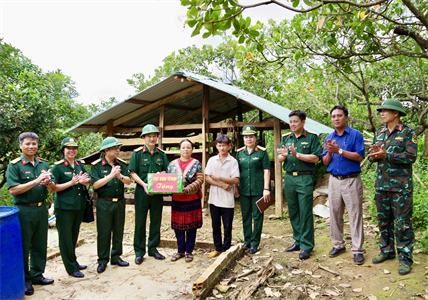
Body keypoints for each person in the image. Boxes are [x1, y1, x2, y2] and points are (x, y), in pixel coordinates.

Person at [367, 99, 417, 275]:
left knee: (403, 224)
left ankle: (405, 258)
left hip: (400, 187)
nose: (381, 113)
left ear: (396, 113)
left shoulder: (408, 132)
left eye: (385, 110)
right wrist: (374, 154)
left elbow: (410, 156)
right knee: (383, 221)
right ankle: (386, 251)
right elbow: (374, 154)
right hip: (382, 185)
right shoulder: (380, 132)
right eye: (380, 110)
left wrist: (386, 154)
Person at [6, 132, 54, 296]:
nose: (31, 146)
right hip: (24, 210)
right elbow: (13, 190)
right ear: (20, 145)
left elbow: (50, 186)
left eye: (34, 143)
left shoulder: (43, 164)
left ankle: (37, 275)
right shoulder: (15, 165)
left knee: (40, 244)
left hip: (41, 209)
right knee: (24, 246)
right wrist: (35, 180)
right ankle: (25, 281)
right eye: (28, 143)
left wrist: (48, 182)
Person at [321, 106, 365, 265]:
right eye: (333, 116)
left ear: (346, 117)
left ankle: (358, 250)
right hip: (333, 180)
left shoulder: (355, 135)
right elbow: (325, 162)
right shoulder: (329, 137)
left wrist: (339, 150)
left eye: (339, 115)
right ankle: (338, 244)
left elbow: (359, 156)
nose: (336, 119)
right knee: (334, 213)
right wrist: (330, 152)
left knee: (355, 214)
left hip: (351, 180)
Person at [277, 110, 321, 260]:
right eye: (291, 122)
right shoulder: (286, 138)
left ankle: (307, 245)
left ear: (303, 122)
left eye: (295, 121)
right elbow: (279, 159)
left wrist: (298, 155)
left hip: (304, 179)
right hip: (289, 179)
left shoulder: (312, 138)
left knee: (305, 212)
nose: (293, 124)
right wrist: (282, 157)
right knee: (293, 211)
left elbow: (316, 158)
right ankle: (298, 240)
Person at [50, 137, 91, 278]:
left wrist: (85, 181)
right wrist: (71, 183)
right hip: (64, 208)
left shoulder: (79, 164)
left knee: (74, 236)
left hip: (78, 206)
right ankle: (70, 267)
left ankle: (73, 261)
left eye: (74, 148)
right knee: (65, 238)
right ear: (63, 150)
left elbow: (88, 179)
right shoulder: (58, 167)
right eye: (69, 148)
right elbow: (53, 188)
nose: (72, 151)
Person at [128, 124, 169, 263]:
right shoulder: (137, 153)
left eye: (154, 136)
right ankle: (139, 252)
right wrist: (144, 184)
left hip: (157, 193)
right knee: (140, 222)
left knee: (156, 221)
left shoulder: (161, 154)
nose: (152, 138)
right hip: (142, 192)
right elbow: (132, 172)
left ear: (157, 137)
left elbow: (166, 171)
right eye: (149, 136)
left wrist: (161, 174)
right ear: (144, 138)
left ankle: (153, 249)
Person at [90, 137, 132, 273]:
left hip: (119, 202)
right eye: (115, 148)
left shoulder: (121, 164)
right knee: (103, 232)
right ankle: (102, 260)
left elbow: (128, 181)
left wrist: (119, 176)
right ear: (106, 150)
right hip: (104, 202)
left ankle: (116, 256)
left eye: (118, 148)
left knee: (118, 230)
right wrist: (111, 175)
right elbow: (95, 185)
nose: (117, 150)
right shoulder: (97, 165)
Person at [235, 125, 271, 254]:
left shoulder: (262, 152)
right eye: (246, 137)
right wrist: (235, 187)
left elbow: (266, 170)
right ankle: (247, 241)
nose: (248, 139)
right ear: (243, 138)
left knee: (257, 216)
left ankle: (255, 243)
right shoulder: (239, 153)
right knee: (245, 215)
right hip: (244, 190)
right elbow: (236, 172)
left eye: (251, 136)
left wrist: (266, 188)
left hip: (258, 189)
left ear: (255, 138)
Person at [166, 139, 204, 262]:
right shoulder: (172, 164)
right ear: (179, 149)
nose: (186, 150)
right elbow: (167, 179)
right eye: (183, 147)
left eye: (188, 147)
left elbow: (200, 180)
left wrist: (187, 189)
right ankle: (180, 251)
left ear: (192, 149)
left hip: (192, 199)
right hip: (177, 199)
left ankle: (189, 251)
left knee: (191, 227)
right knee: (178, 227)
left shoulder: (196, 163)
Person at [205, 134, 240, 258]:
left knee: (227, 225)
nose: (222, 148)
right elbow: (207, 178)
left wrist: (220, 178)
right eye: (219, 146)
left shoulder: (233, 161)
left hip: (227, 199)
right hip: (214, 198)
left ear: (229, 146)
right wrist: (222, 184)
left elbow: (235, 180)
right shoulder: (212, 160)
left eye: (224, 146)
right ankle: (218, 248)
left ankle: (226, 249)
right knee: (215, 225)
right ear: (216, 146)